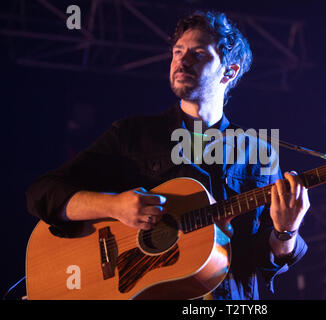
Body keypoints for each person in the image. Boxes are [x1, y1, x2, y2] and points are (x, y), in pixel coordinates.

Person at [26, 11, 310, 300]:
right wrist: (115, 206)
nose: (182, 61)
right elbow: (43, 194)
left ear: (229, 72)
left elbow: (262, 259)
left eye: (198, 54)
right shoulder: (133, 135)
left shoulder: (258, 152)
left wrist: (286, 231)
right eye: (178, 51)